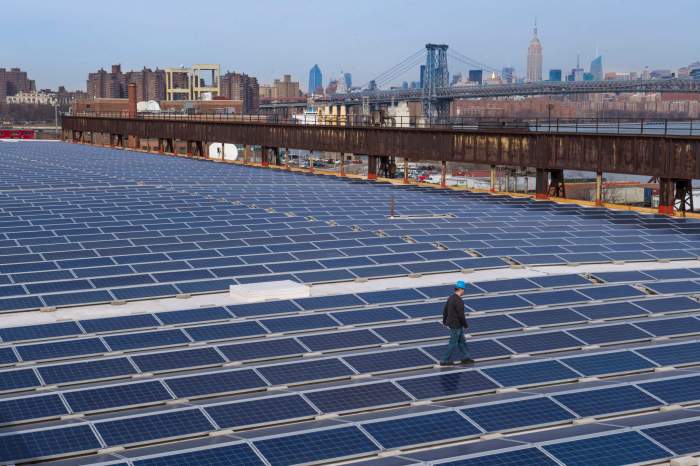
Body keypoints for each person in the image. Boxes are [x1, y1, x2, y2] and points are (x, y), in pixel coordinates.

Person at [440, 280, 474, 366]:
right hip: (456, 325)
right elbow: (461, 315)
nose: (464, 291)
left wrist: (444, 321)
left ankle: (466, 357)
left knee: (462, 341)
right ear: (461, 289)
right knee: (453, 343)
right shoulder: (459, 300)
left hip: (452, 323)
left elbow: (445, 311)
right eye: (464, 289)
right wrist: (465, 325)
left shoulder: (450, 298)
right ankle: (444, 360)